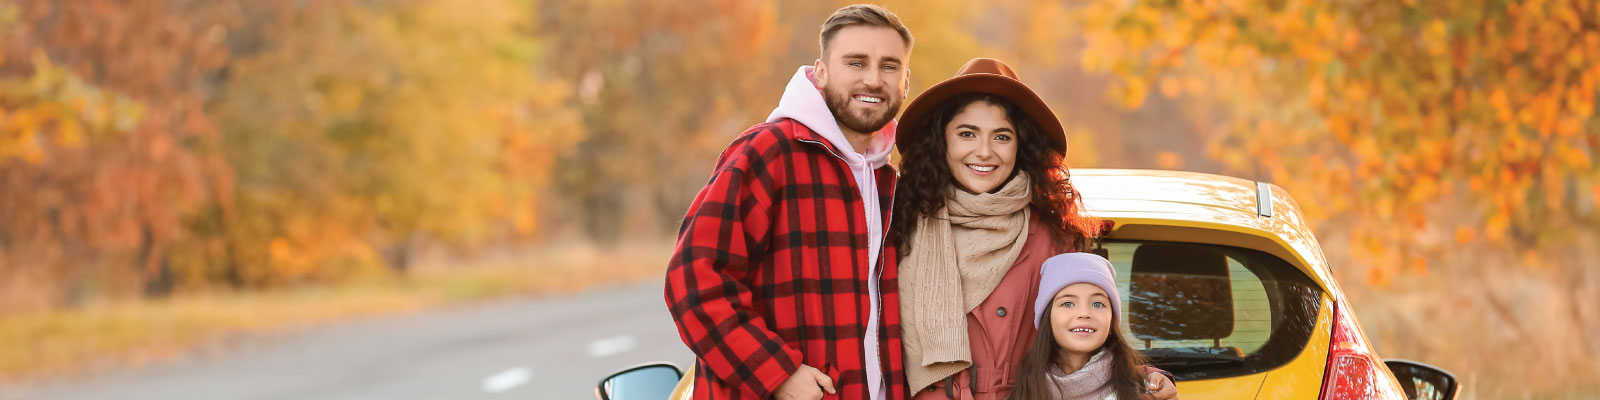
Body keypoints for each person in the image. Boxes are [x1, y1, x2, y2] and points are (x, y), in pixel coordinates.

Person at [664, 4, 913, 400]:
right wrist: (776, 373)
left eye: (889, 66)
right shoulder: (768, 152)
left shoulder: (892, 184)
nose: (873, 79)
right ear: (821, 72)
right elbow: (694, 283)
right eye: (856, 62)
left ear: (905, 81)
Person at [891, 58, 1176, 400]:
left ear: (1020, 145)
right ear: (942, 141)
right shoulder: (904, 222)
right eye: (967, 133)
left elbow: (1081, 333)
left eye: (1002, 136)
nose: (984, 152)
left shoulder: (1051, 235)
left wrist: (1146, 377)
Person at [1011, 253, 1152, 399]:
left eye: (1098, 304)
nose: (1084, 313)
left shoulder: (1145, 391)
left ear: (1111, 322)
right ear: (1047, 318)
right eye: (1068, 303)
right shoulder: (1025, 390)